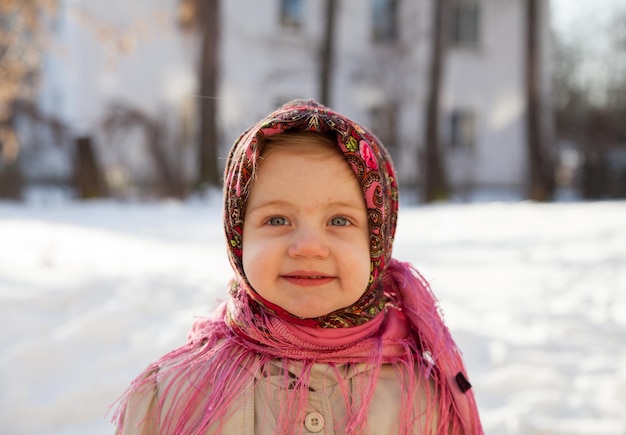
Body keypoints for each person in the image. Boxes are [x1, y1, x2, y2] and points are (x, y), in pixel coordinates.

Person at [111, 99, 482, 434]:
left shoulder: (426, 400)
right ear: (238, 236)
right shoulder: (173, 396)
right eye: (276, 220)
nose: (307, 247)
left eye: (339, 221)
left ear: (377, 242)